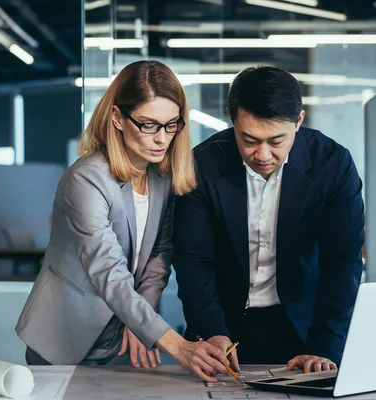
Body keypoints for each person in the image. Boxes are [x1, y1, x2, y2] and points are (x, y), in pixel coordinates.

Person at [16, 60, 230, 382]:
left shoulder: (163, 177)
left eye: (171, 125)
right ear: (118, 118)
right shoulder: (86, 179)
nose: (161, 138)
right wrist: (176, 344)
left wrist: (141, 320)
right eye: (149, 124)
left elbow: (160, 252)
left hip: (124, 334)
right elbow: (109, 271)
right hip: (64, 333)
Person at [172, 66, 365, 374]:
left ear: (299, 121)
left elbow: (343, 262)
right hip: (222, 327)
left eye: (276, 141)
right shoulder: (202, 165)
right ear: (231, 118)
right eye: (248, 139)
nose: (262, 154)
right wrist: (211, 331)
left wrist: (323, 345)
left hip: (306, 329)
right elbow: (193, 260)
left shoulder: (333, 165)